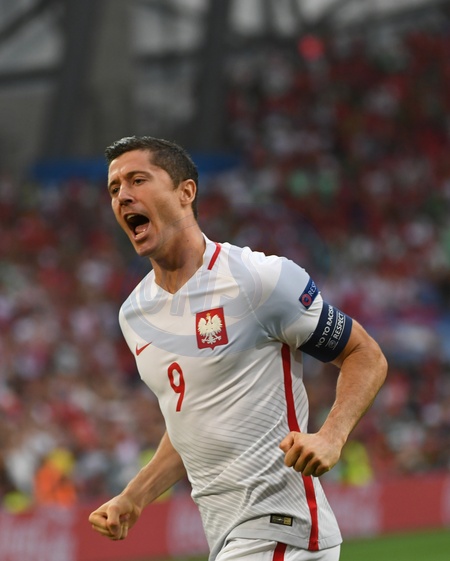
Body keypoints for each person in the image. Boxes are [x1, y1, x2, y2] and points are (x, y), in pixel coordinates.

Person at [89, 135, 388, 561]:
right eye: (114, 188)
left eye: (138, 180)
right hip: (233, 537)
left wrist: (330, 436)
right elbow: (191, 424)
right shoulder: (134, 315)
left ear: (186, 192)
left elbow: (365, 354)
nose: (123, 196)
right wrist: (134, 497)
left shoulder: (258, 279)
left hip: (281, 529)